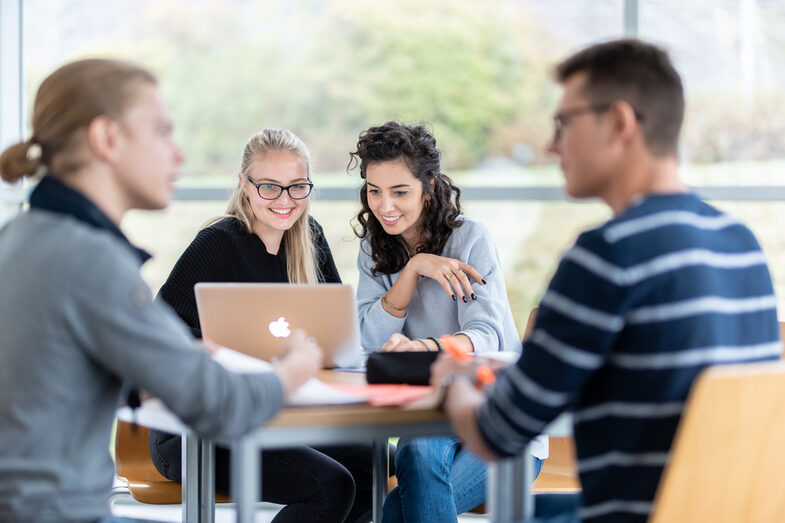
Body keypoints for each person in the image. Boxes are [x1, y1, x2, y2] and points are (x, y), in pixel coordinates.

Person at [432, 39, 781, 523]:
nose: (551, 145)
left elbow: (500, 432)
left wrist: (456, 385)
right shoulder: (741, 244)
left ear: (618, 122)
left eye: (563, 124)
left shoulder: (608, 255)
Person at [0, 59, 322, 523]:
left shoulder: (24, 236)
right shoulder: (91, 259)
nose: (178, 156)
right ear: (107, 139)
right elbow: (221, 406)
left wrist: (173, 359)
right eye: (161, 133)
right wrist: (293, 370)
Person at [148, 128, 383, 523]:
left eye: (297, 187)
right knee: (330, 486)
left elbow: (334, 333)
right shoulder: (217, 244)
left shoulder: (309, 239)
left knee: (374, 463)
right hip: (197, 430)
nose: (285, 200)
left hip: (281, 418)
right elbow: (162, 341)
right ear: (244, 184)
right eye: (270, 187)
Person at [351, 121, 547, 523]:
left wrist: (422, 348)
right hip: (428, 416)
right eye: (375, 190)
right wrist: (413, 270)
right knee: (415, 450)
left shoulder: (471, 239)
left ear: (430, 185)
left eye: (400, 191)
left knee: (395, 511)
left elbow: (487, 336)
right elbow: (369, 338)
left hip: (499, 421)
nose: (385, 206)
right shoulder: (374, 246)